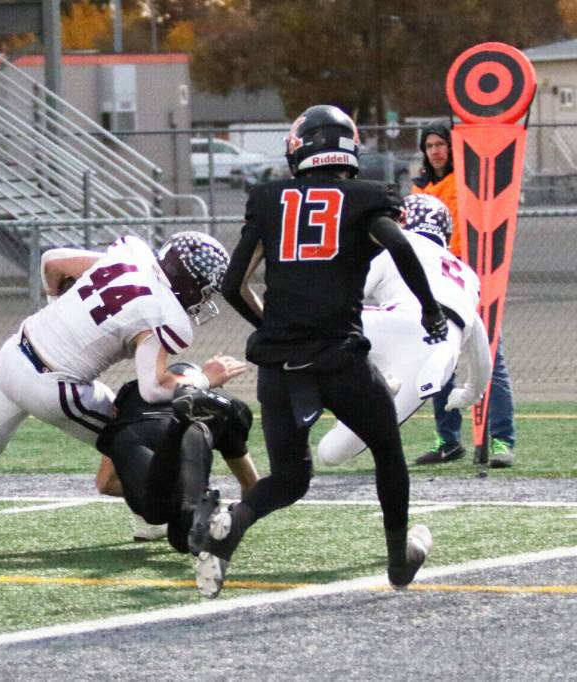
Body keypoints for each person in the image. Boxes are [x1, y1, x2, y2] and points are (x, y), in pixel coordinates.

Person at [188, 105, 446, 599]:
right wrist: (429, 308)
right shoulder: (367, 197)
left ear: (298, 148)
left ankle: (232, 528)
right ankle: (398, 560)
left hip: (278, 364)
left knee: (289, 478)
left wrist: (276, 326)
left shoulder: (268, 198)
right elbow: (400, 245)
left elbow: (233, 283)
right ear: (348, 147)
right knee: (388, 450)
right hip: (339, 357)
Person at [0, 231, 246, 536]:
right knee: (131, 432)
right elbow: (154, 388)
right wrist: (203, 379)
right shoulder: (165, 313)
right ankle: (147, 513)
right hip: (55, 386)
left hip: (17, 349)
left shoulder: (132, 254)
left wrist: (58, 310)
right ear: (190, 283)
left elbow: (53, 262)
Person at [317, 194, 492, 466]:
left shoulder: (395, 247)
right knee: (330, 454)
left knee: (313, 327)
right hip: (437, 355)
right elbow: (482, 354)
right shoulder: (468, 276)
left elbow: (348, 297)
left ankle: (362, 385)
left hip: (399, 322)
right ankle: (374, 385)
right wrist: (469, 394)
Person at [412, 121, 517, 468]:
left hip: (472, 280)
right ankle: (448, 440)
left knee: (490, 361)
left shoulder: (467, 182)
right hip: (438, 286)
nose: (436, 151)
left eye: (441, 143)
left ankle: (501, 441)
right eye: (429, 146)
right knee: (441, 361)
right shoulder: (419, 189)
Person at [96, 361, 258, 554]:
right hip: (192, 434)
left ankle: (178, 424)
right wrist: (238, 519)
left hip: (132, 435)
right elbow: (251, 483)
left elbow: (105, 483)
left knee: (155, 513)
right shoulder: (223, 401)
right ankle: (179, 423)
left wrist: (164, 487)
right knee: (185, 532)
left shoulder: (132, 391)